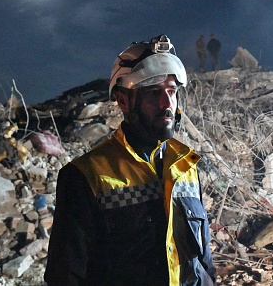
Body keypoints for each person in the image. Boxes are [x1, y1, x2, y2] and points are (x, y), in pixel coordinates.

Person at [45, 34, 217, 285]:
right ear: (123, 100)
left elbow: (203, 261)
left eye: (171, 91)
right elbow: (66, 276)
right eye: (153, 93)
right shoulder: (86, 176)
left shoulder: (186, 167)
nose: (166, 103)